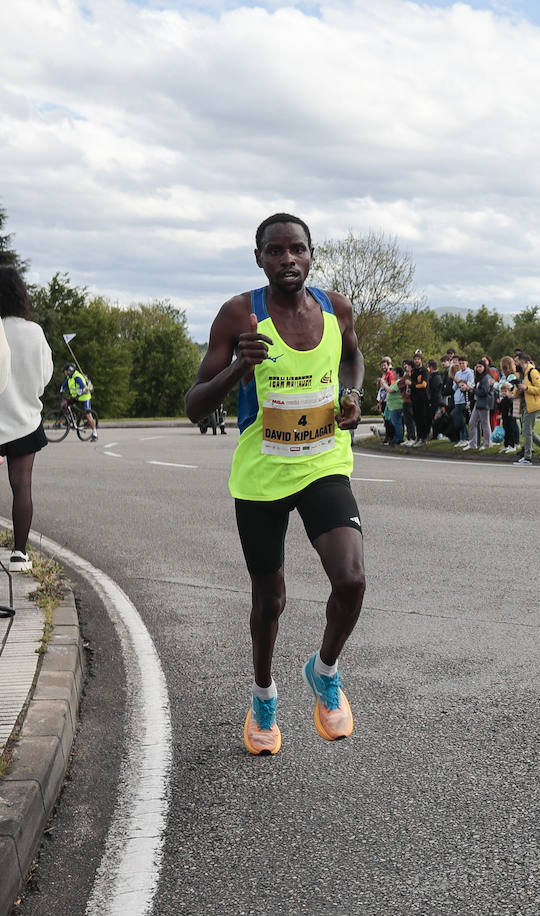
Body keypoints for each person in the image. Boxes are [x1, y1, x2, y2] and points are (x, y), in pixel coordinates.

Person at [184, 213, 365, 756]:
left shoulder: (336, 309)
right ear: (259, 258)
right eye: (275, 250)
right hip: (262, 475)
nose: (288, 259)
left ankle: (324, 672)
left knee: (351, 580)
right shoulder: (240, 314)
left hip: (324, 463)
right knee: (271, 600)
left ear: (312, 255)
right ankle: (264, 697)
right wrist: (238, 369)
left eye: (298, 249)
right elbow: (195, 407)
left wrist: (355, 397)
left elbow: (352, 357)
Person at [0, 267, 48, 571]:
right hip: (24, 419)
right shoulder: (34, 332)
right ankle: (19, 554)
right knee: (22, 486)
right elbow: (44, 377)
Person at [514, 353, 540, 465]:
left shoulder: (533, 372)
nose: (515, 364)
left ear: (522, 362)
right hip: (525, 405)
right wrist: (517, 391)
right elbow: (517, 392)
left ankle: (527, 457)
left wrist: (527, 388)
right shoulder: (521, 374)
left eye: (516, 362)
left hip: (533, 405)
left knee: (527, 431)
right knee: (528, 430)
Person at [63, 363, 98, 440]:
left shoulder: (77, 377)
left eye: (66, 371)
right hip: (77, 397)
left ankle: (95, 433)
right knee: (64, 405)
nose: (65, 372)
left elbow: (82, 387)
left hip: (85, 397)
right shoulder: (69, 377)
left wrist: (78, 394)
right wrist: (61, 391)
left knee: (88, 415)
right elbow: (64, 385)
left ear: (70, 370)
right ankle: (69, 420)